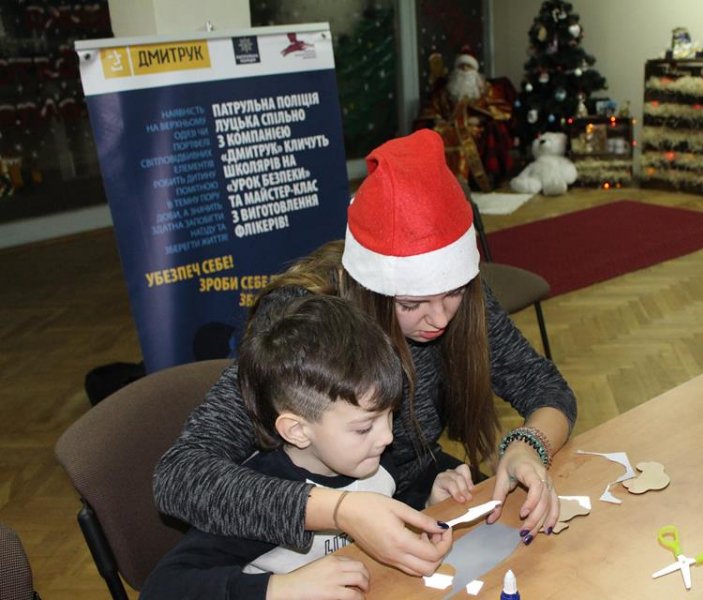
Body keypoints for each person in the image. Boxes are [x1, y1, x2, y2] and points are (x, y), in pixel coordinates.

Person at [153, 128, 578, 577]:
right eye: (411, 304)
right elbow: (180, 476)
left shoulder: (453, 294)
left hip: (413, 488)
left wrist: (528, 446)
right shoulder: (305, 327)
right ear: (368, 289)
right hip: (308, 532)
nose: (439, 318)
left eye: (453, 294)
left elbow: (545, 386)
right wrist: (342, 510)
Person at [141, 295, 472, 599]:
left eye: (391, 414)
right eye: (364, 427)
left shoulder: (373, 462)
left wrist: (425, 506)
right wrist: (277, 589)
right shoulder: (257, 500)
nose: (387, 436)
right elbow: (161, 588)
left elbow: (385, 502)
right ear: (298, 431)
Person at [415, 48, 516, 191]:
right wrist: (437, 119)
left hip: (476, 127)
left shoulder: (485, 89)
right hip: (449, 126)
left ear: (474, 70)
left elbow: (499, 109)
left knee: (468, 136)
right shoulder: (445, 91)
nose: (464, 70)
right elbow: (433, 109)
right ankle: (442, 184)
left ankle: (462, 183)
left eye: (468, 67)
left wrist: (480, 119)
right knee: (440, 135)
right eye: (461, 67)